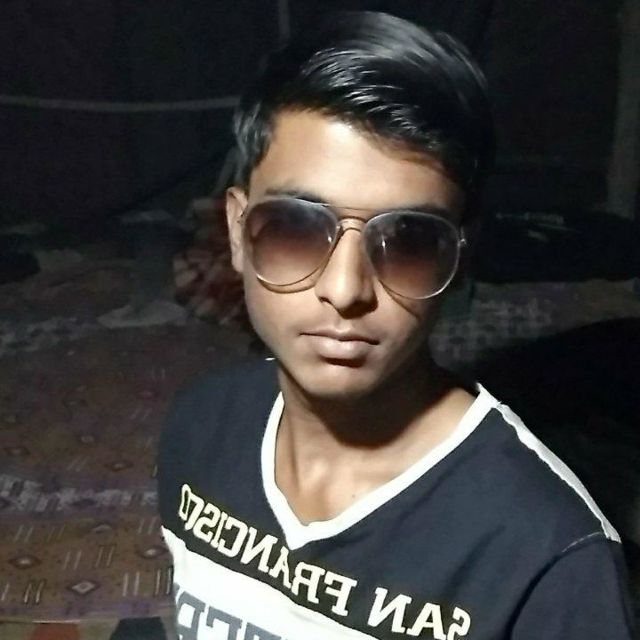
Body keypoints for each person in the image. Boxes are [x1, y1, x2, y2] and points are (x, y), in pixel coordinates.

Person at [158, 11, 636, 639]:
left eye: (408, 240)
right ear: (237, 231)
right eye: (296, 228)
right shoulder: (200, 431)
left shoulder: (545, 557)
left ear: (460, 258)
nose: (345, 290)